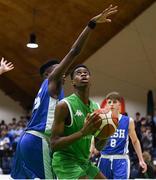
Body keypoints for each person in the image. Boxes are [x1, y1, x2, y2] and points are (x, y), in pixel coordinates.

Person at [11, 4, 118, 179]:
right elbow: (74, 51)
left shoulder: (51, 91)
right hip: (40, 140)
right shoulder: (53, 82)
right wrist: (91, 24)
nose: (64, 71)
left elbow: (98, 144)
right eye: (60, 69)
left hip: (32, 139)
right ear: (50, 73)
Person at [51, 65, 106, 179]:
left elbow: (99, 146)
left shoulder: (96, 107)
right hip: (65, 161)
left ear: (90, 80)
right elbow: (54, 145)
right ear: (73, 82)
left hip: (84, 161)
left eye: (86, 72)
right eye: (78, 73)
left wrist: (106, 134)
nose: (83, 74)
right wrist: (82, 133)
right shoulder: (64, 105)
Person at [95, 92, 147, 179]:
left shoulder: (128, 121)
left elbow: (135, 141)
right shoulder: (102, 120)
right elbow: (94, 140)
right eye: (109, 102)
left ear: (119, 104)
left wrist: (141, 159)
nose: (112, 104)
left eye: (114, 102)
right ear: (106, 104)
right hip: (104, 159)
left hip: (120, 160)